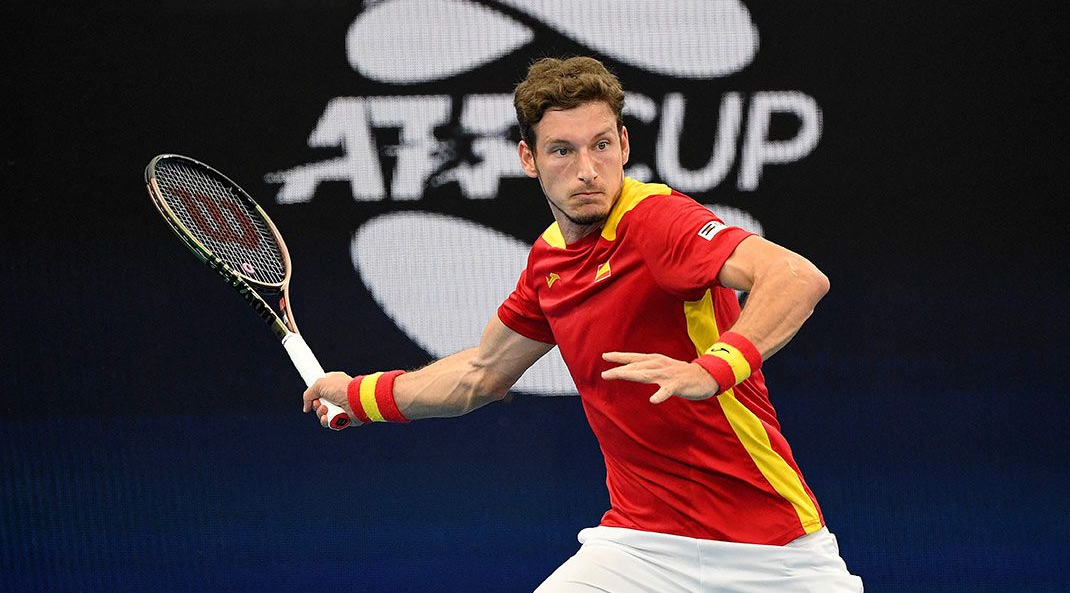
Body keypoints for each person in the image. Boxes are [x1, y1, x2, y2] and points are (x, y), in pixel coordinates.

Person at [304, 56, 862, 592]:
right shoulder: (548, 262)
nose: (587, 170)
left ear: (623, 144)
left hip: (770, 550)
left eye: (600, 145)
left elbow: (795, 276)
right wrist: (357, 396)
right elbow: (480, 373)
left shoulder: (657, 221)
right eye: (562, 151)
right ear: (529, 159)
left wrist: (714, 369)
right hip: (641, 547)